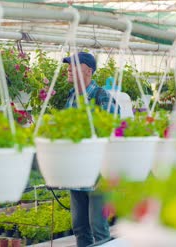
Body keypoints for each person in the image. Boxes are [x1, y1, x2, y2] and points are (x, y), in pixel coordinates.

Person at [62, 52, 118, 247]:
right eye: (68, 65)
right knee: (79, 227)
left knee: (98, 227)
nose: (68, 69)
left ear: (88, 70)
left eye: (73, 66)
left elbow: (111, 134)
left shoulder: (102, 97)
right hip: (75, 172)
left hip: (98, 173)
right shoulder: (71, 96)